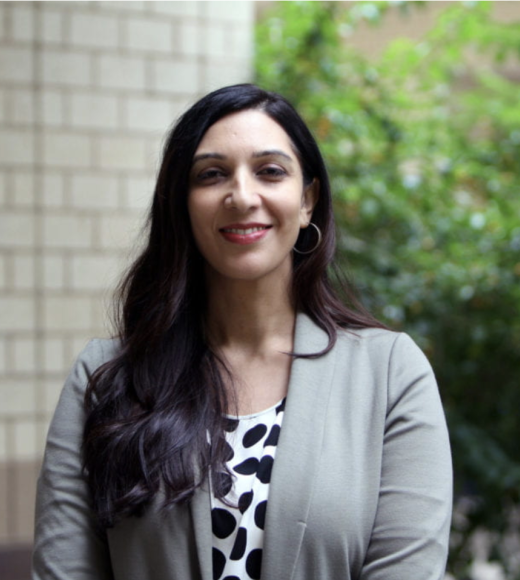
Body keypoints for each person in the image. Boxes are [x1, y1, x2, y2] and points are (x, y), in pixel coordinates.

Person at [32, 84, 452, 580]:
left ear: (307, 201)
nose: (242, 195)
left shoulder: (389, 374)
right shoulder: (104, 379)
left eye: (270, 171)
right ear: (183, 206)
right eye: (211, 175)